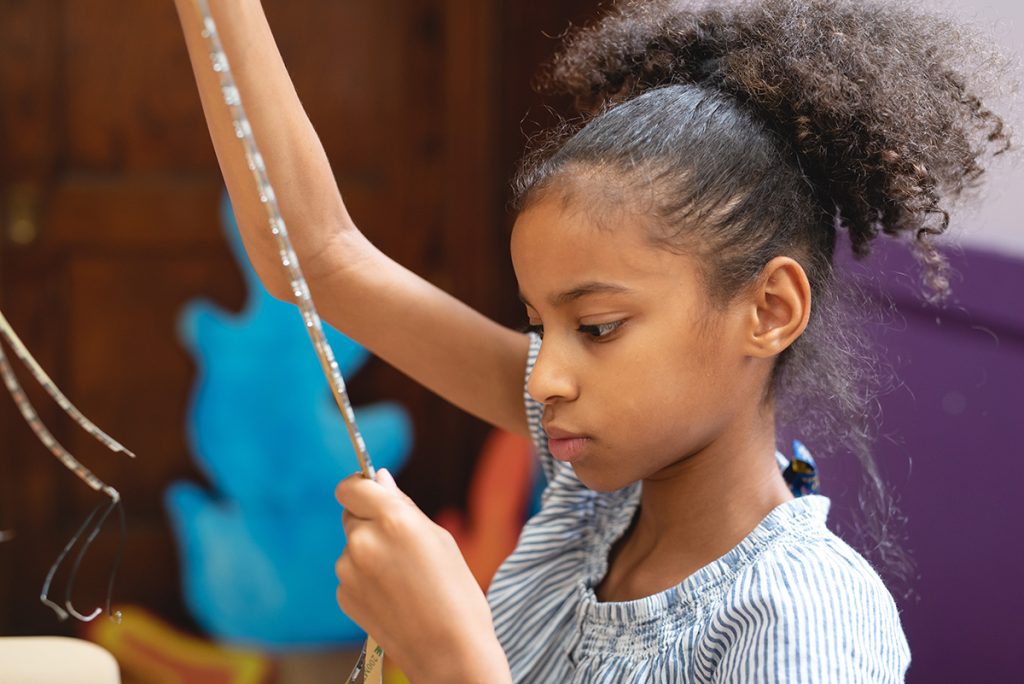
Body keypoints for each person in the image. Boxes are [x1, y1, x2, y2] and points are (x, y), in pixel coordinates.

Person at [174, 0, 1012, 681]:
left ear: (769, 310)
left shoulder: (805, 623)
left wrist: (449, 656)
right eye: (539, 326)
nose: (543, 378)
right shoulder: (597, 493)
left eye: (598, 328)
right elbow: (318, 256)